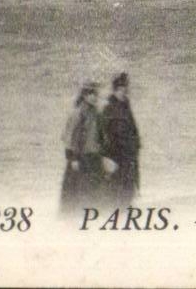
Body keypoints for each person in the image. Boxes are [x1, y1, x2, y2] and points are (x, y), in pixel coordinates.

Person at [60, 81, 104, 212]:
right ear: (84, 95)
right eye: (91, 94)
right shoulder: (78, 113)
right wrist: (73, 158)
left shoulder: (96, 113)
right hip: (80, 158)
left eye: (95, 94)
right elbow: (68, 137)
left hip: (94, 157)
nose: (94, 97)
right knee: (76, 193)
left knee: (93, 192)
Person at [100, 72, 141, 200]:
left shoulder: (125, 106)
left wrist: (136, 144)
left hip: (128, 153)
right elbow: (102, 133)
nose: (124, 92)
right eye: (121, 89)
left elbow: (132, 128)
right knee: (116, 189)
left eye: (125, 89)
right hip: (116, 154)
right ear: (115, 90)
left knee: (127, 189)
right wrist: (105, 156)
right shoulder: (109, 109)